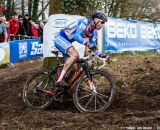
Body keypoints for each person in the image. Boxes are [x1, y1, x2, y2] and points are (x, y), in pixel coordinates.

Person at [54, 11, 108, 87]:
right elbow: (76, 36)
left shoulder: (93, 32)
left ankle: (61, 89)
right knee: (75, 55)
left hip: (67, 42)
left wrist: (100, 55)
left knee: (74, 68)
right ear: (95, 20)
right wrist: (87, 43)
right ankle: (59, 81)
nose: (102, 25)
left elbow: (92, 47)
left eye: (103, 23)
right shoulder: (84, 22)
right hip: (60, 38)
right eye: (102, 22)